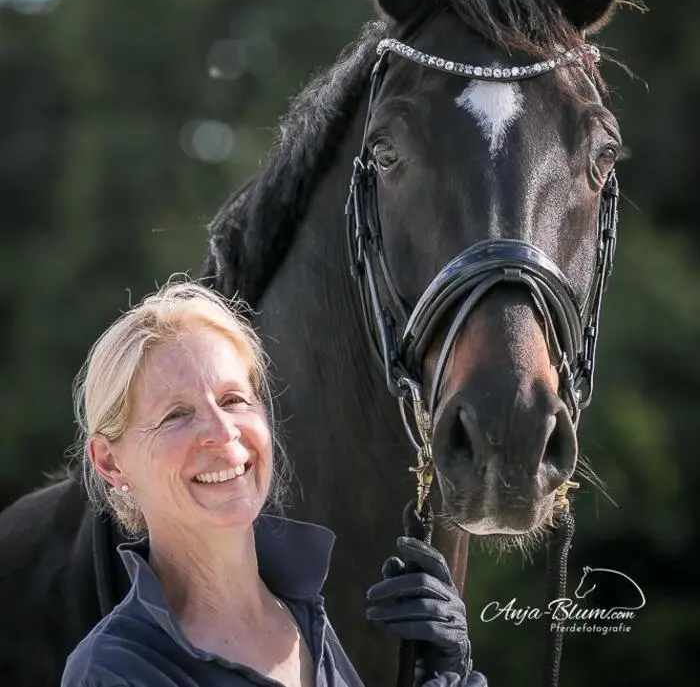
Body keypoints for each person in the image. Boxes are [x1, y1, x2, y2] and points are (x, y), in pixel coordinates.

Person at [63, 279, 486, 687]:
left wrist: (445, 673)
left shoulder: (310, 620)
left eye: (233, 399)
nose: (223, 430)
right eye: (176, 414)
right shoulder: (112, 670)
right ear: (111, 463)